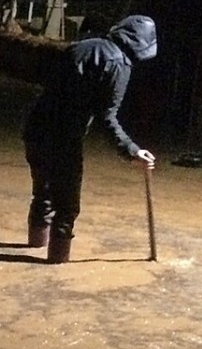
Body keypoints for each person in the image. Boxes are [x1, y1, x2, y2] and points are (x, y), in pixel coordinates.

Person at [23, 14, 158, 263]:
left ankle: (35, 242)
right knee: (67, 207)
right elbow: (107, 117)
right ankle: (55, 264)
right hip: (64, 139)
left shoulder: (82, 45)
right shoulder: (120, 65)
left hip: (35, 128)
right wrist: (131, 150)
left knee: (43, 190)